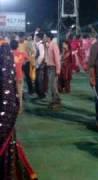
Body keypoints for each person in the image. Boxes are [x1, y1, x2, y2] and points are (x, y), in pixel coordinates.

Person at [0, 38, 37, 180]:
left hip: (5, 112)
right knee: (19, 94)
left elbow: (6, 91)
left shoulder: (4, 49)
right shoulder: (12, 52)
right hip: (16, 79)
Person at [10, 40, 29, 114]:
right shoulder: (22, 53)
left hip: (11, 76)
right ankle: (20, 109)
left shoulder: (9, 54)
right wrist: (23, 62)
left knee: (12, 93)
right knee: (20, 93)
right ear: (17, 46)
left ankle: (12, 108)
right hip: (20, 75)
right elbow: (28, 59)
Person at [45, 32, 61, 108]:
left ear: (48, 37)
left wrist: (58, 69)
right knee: (52, 85)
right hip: (50, 67)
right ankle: (56, 99)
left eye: (45, 37)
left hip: (53, 67)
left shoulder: (54, 45)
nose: (44, 38)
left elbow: (57, 58)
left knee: (53, 86)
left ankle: (55, 102)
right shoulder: (49, 45)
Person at [34, 32, 47, 99]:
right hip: (39, 65)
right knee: (37, 80)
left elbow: (41, 56)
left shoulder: (41, 45)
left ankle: (41, 94)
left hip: (40, 65)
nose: (35, 38)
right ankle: (39, 93)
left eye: (36, 37)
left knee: (39, 80)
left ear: (39, 38)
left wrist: (37, 64)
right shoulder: (39, 44)